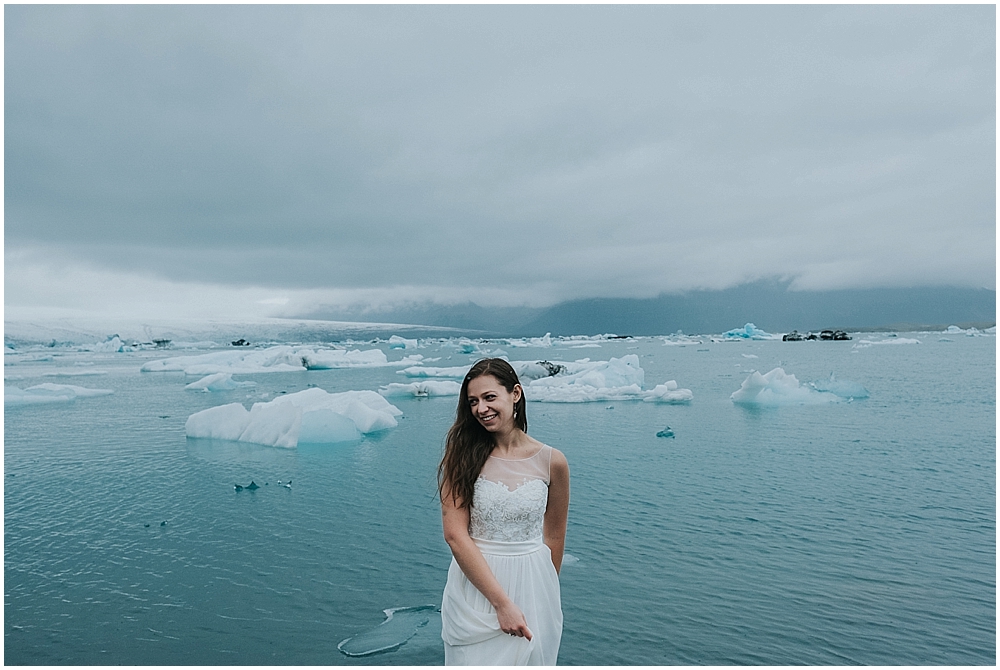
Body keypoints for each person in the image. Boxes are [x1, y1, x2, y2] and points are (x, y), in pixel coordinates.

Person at [438, 358, 570, 665]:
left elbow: (554, 535)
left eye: (489, 397)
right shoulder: (460, 457)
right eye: (473, 401)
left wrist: (546, 593)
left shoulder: (553, 461)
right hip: (477, 589)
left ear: (515, 394)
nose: (480, 409)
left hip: (535, 586)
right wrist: (502, 604)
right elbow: (455, 536)